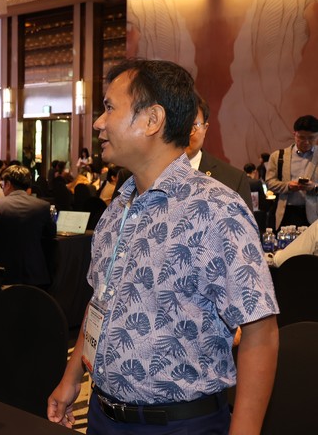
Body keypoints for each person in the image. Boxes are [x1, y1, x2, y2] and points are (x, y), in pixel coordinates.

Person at [47, 59, 278, 434]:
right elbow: (101, 301)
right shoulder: (119, 207)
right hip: (103, 416)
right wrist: (71, 377)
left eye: (109, 108)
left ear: (152, 119)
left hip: (180, 425)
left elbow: (260, 332)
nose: (98, 123)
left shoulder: (215, 209)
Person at [0, 164, 54, 287]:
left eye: (2, 185)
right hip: (35, 273)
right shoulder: (43, 206)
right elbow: (51, 234)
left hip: (4, 274)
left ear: (8, 184)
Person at [185, 95, 253, 211]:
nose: (183, 133)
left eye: (192, 126)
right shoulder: (153, 175)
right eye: (176, 126)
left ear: (205, 129)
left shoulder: (234, 180)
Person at [265, 115, 318, 230]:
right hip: (285, 213)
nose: (306, 142)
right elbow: (269, 182)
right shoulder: (278, 156)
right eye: (302, 137)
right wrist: (288, 186)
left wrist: (314, 187)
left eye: (311, 138)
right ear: (295, 134)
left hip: (314, 215)